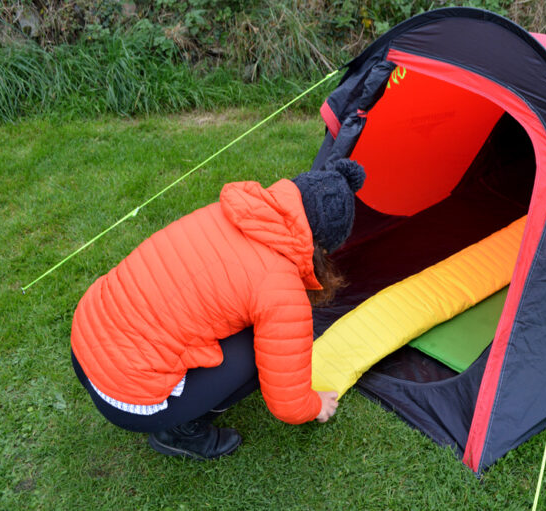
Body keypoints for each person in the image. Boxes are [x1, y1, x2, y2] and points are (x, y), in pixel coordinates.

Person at [70, 158, 366, 460]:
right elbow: (287, 403)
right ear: (321, 248)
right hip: (123, 395)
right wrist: (315, 405)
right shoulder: (281, 287)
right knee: (261, 351)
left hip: (85, 344)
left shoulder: (227, 212)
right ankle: (180, 432)